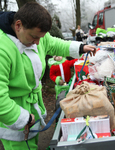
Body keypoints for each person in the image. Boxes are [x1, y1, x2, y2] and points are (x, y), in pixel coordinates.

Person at [0, 2, 96, 150]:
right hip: (14, 119)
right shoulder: (2, 49)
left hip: (32, 112)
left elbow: (53, 43)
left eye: (40, 38)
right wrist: (22, 118)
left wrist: (81, 47)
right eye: (34, 37)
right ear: (18, 25)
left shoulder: (33, 33)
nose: (38, 43)